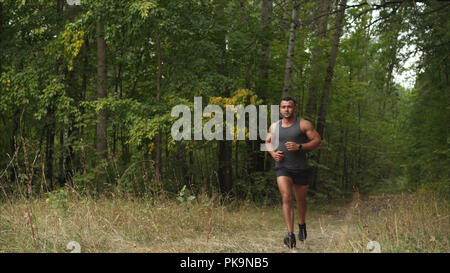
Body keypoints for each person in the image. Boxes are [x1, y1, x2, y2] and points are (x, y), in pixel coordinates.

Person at [265, 97, 322, 249]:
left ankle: (301, 224)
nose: (286, 109)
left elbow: (318, 141)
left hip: (300, 168)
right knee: (286, 197)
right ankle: (290, 234)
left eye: (289, 107)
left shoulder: (303, 124)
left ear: (294, 108)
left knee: (301, 200)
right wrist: (273, 154)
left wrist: (300, 147)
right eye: (283, 107)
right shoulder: (274, 126)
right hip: (282, 167)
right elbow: (268, 142)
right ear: (280, 109)